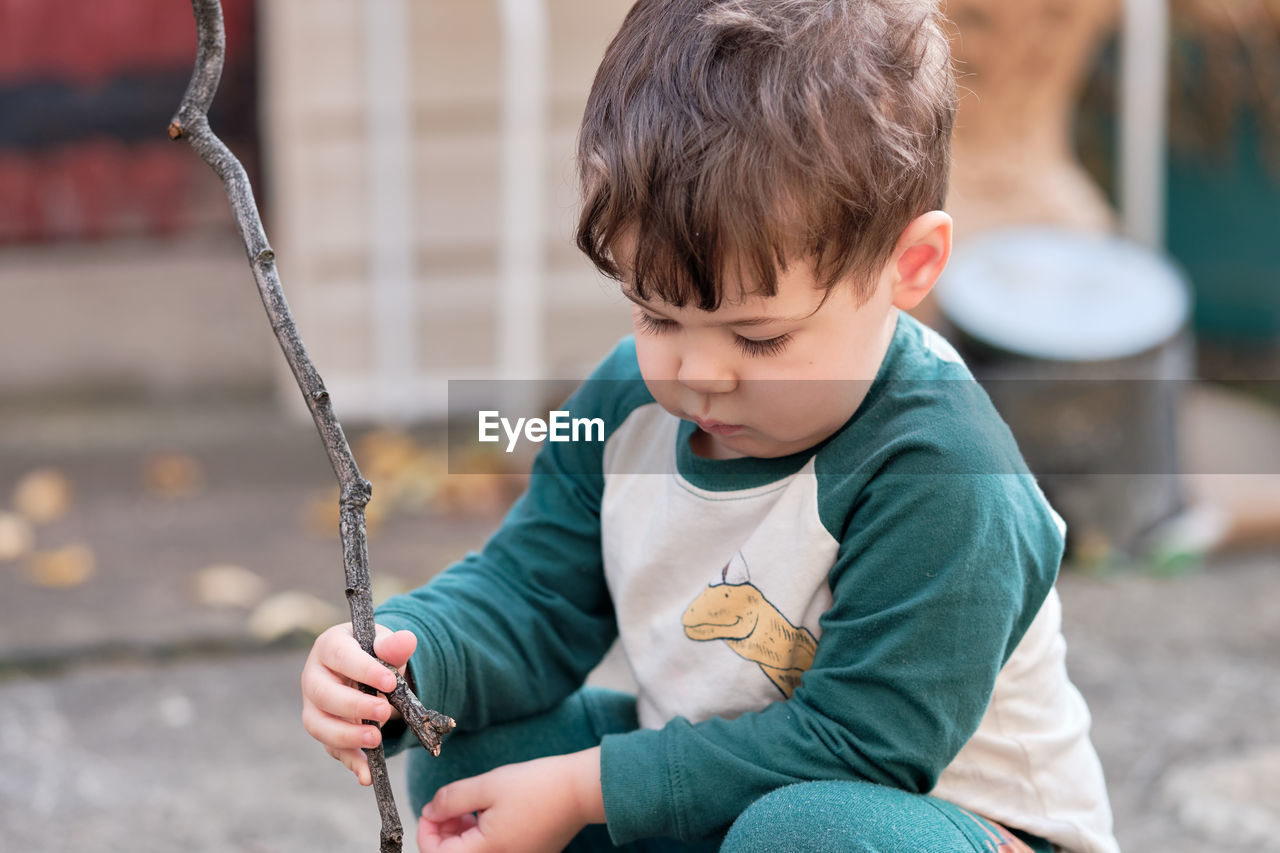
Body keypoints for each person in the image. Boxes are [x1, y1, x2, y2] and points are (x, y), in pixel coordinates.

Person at [301, 1, 1119, 851]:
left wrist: (588, 788)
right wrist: (400, 665)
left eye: (759, 336)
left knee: (801, 834)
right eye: (656, 316)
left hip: (927, 818)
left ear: (906, 266)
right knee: (476, 757)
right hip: (737, 797)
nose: (698, 373)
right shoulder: (619, 407)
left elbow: (865, 746)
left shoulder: (943, 470)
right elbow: (532, 591)